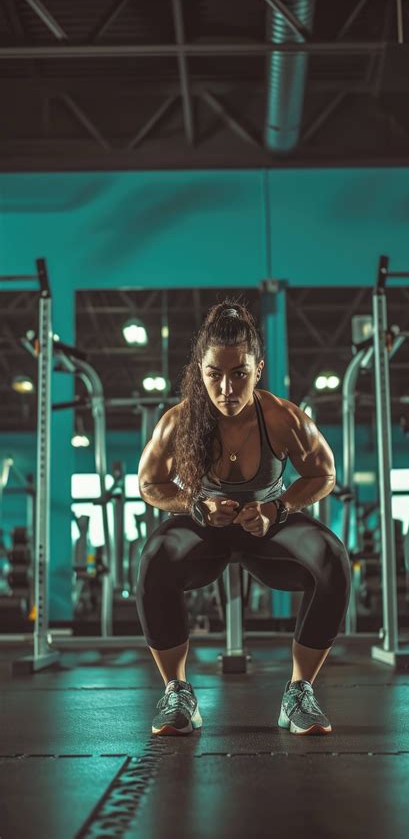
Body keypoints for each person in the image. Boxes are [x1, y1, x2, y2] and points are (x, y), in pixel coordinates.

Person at [137, 300, 351, 736]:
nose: (227, 388)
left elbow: (324, 473)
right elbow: (150, 483)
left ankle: (299, 693)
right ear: (200, 369)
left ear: (259, 368)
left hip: (267, 528)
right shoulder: (179, 422)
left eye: (239, 374)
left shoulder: (281, 417)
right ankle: (176, 691)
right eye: (214, 374)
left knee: (332, 557)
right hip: (204, 529)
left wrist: (278, 508)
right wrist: (195, 505)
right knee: (155, 556)